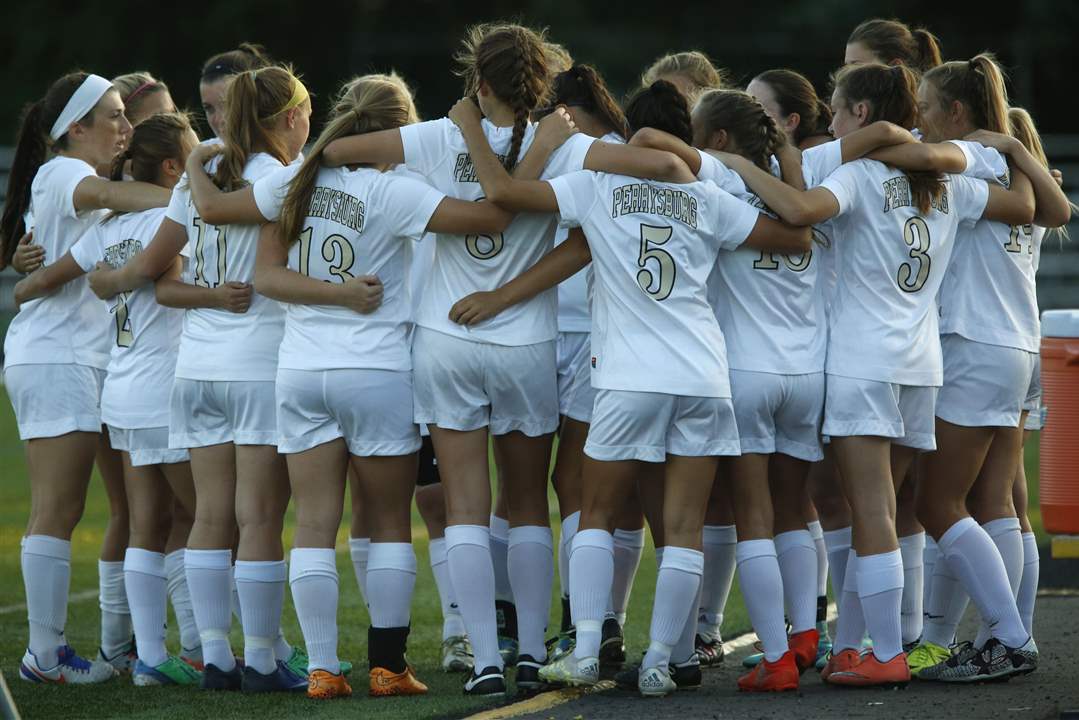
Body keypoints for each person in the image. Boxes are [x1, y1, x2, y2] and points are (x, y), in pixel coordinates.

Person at [714, 61, 1036, 687]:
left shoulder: (858, 174)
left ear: (859, 113)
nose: (830, 120)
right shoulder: (946, 179)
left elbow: (800, 207)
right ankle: (869, 645)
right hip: (921, 365)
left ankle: (902, 649)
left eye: (836, 108)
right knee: (886, 510)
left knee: (872, 512)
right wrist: (1009, 148)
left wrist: (750, 163)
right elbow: (1026, 204)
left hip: (864, 362)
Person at [13, 112, 204, 686]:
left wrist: (22, 284)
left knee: (146, 520)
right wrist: (222, 295)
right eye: (193, 154)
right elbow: (168, 287)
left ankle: (148, 657)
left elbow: (46, 280)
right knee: (207, 517)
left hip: (121, 390)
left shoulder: (103, 229)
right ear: (172, 166)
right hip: (162, 387)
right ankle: (209, 649)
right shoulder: (171, 218)